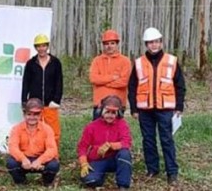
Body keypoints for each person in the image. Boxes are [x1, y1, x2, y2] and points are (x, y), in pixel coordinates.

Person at [128, 27, 186, 187]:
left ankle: (172, 172)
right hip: (145, 109)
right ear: (146, 44)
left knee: (167, 140)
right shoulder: (139, 63)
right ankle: (152, 169)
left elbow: (180, 85)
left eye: (156, 42)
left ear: (161, 42)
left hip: (165, 109)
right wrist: (133, 108)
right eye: (150, 43)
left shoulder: (171, 61)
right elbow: (132, 86)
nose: (153, 45)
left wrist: (179, 106)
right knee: (148, 140)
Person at [77, 95, 133, 190]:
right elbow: (82, 147)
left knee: (125, 153)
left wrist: (110, 145)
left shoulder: (122, 124)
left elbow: (127, 142)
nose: (110, 115)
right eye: (107, 112)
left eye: (113, 113)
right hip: (98, 160)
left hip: (115, 160)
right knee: (90, 180)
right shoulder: (91, 126)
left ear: (118, 113)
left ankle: (123, 185)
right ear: (101, 111)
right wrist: (84, 163)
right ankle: (99, 176)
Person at [21, 33, 64, 146]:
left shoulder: (55, 63)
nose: (41, 49)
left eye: (44, 46)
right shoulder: (31, 63)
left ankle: (53, 155)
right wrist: (24, 102)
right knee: (34, 130)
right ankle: (35, 152)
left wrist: (56, 100)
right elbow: (25, 83)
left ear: (47, 46)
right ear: (35, 48)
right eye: (39, 46)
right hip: (35, 102)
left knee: (53, 131)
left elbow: (59, 82)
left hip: (50, 103)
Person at [6, 98, 60, 187]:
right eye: (29, 114)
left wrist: (40, 161)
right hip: (24, 159)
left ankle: (47, 182)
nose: (32, 117)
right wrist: (23, 159)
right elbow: (13, 147)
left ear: (41, 114)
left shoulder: (47, 129)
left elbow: (52, 149)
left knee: (54, 165)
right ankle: (21, 182)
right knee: (11, 163)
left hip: (41, 159)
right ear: (24, 114)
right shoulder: (16, 129)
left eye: (36, 114)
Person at [89, 29, 131, 119]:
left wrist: (103, 82)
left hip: (118, 104)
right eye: (106, 44)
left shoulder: (125, 61)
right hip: (100, 104)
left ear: (117, 44)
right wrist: (113, 77)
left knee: (117, 132)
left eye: (112, 43)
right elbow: (94, 79)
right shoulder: (97, 61)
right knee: (98, 131)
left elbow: (124, 82)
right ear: (103, 45)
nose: (109, 46)